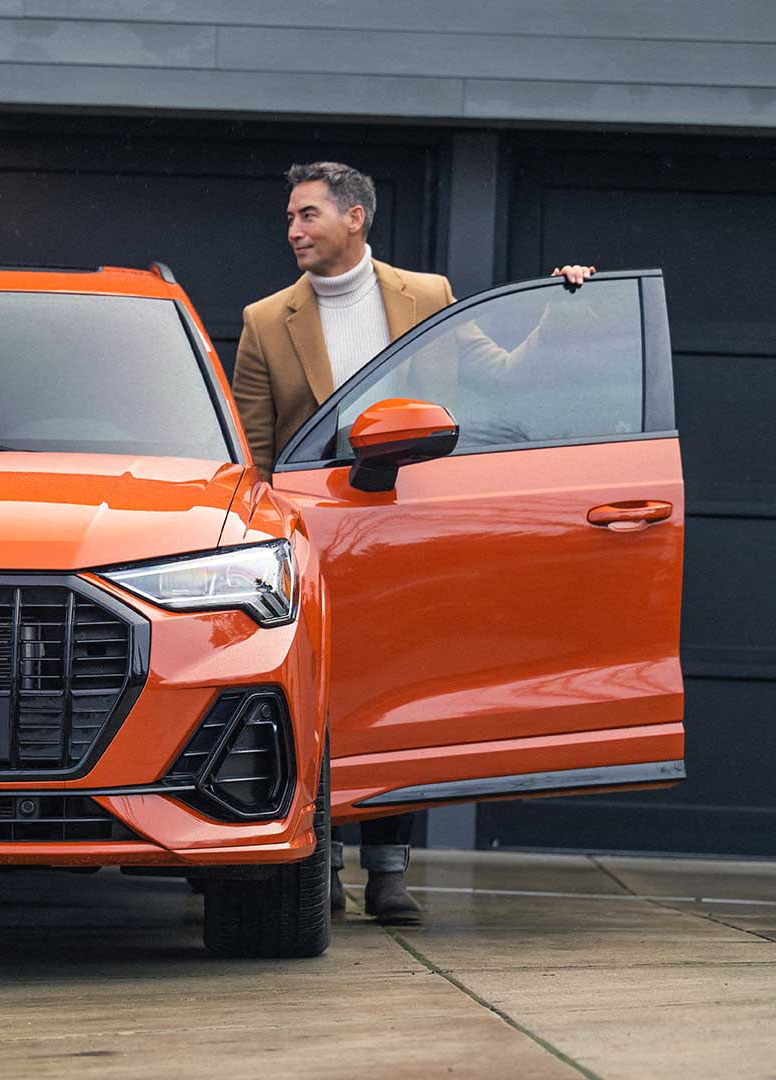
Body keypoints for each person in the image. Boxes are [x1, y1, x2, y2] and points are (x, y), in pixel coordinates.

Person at [231, 160, 594, 924]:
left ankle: (390, 871)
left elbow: (502, 378)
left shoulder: (426, 296)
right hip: (315, 535)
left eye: (307, 216)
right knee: (323, 696)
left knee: (400, 689)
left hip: (410, 529)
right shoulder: (267, 319)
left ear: (354, 217)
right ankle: (321, 861)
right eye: (291, 219)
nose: (292, 230)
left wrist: (558, 311)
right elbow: (253, 452)